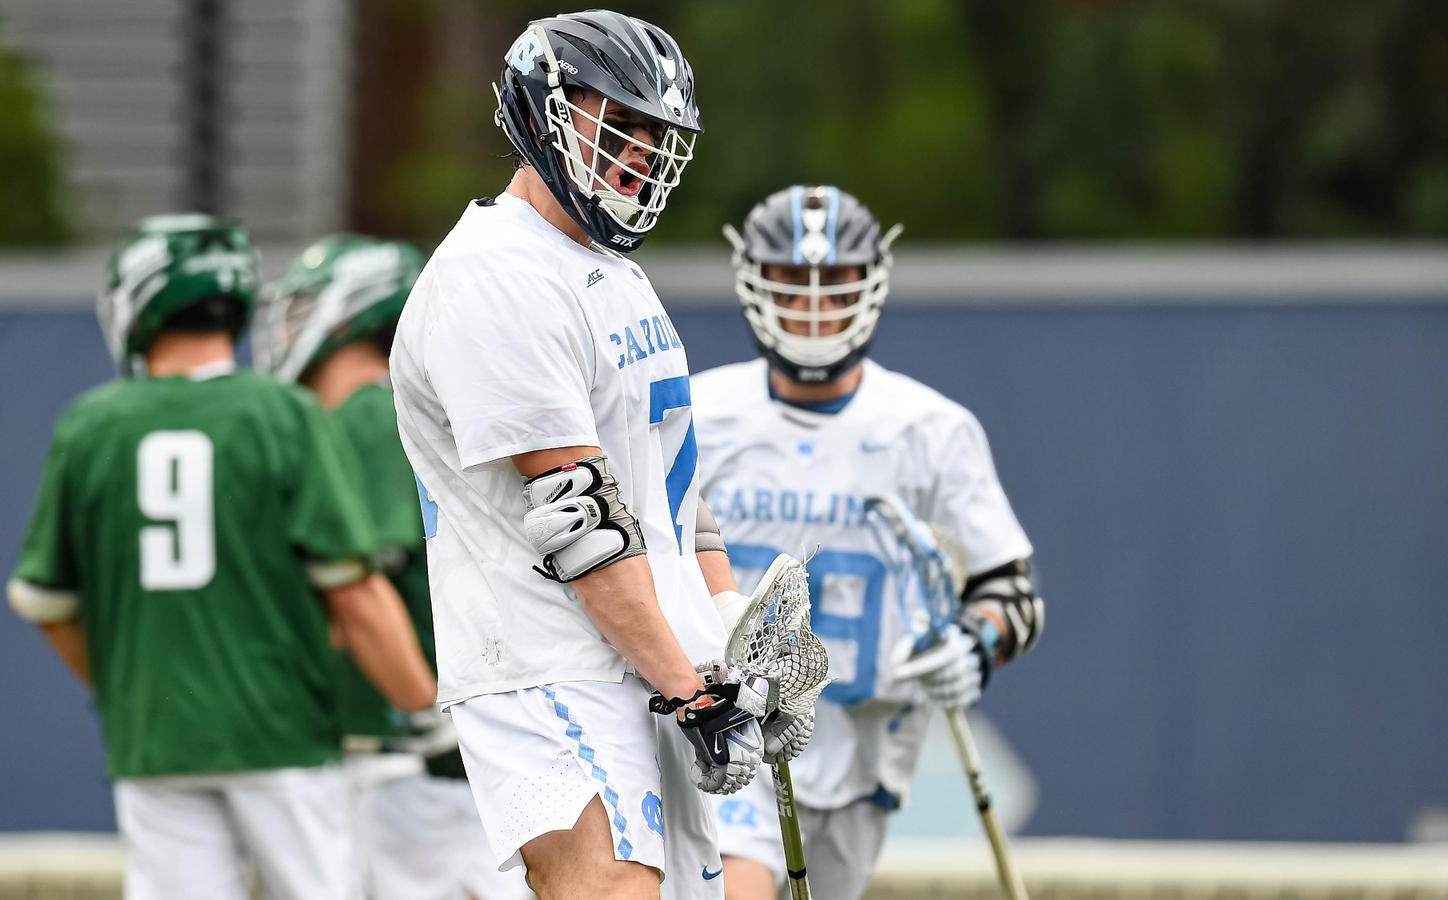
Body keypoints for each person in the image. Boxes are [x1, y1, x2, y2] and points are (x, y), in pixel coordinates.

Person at [390, 11, 811, 899]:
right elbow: (581, 521)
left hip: (647, 660)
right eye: (619, 123)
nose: (640, 154)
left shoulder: (612, 271)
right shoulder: (496, 275)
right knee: (611, 888)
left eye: (657, 135)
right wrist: (693, 689)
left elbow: (670, 494)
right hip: (547, 662)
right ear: (542, 113)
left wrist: (728, 639)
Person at [7, 214, 436, 900]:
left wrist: (125, 689)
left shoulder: (90, 425)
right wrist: (424, 707)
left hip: (154, 739)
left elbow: (46, 603)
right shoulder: (281, 414)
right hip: (283, 731)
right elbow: (353, 591)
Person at [693, 186, 1045, 900]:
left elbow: (1012, 594)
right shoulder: (699, 413)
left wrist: (974, 645)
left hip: (862, 754)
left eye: (835, 284)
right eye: (791, 283)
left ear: (870, 285)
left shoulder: (929, 431)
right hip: (733, 732)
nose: (813, 308)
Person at [255, 234, 531, 900]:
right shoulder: (376, 412)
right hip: (424, 744)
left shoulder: (368, 414)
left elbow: (357, 584)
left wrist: (415, 705)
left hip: (411, 750)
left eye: (304, 310)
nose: (286, 330)